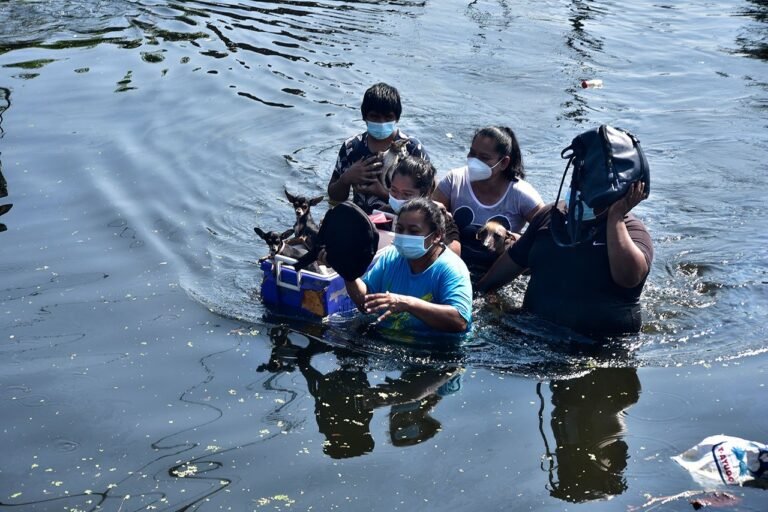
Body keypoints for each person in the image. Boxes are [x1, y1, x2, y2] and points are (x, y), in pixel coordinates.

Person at [476, 173, 653, 337]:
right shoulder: (550, 217)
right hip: (533, 331)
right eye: (578, 182)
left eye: (592, 187)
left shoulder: (634, 233)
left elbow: (628, 278)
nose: (581, 191)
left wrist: (615, 217)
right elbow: (490, 282)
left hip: (599, 347)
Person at [343, 198, 472, 333]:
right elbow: (367, 303)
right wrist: (348, 274)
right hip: (388, 339)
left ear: (436, 235)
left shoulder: (451, 268)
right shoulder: (391, 256)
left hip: (434, 349)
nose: (404, 236)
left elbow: (460, 321)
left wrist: (408, 304)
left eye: (413, 231)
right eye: (400, 229)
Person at [433, 125, 544, 269]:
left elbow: (546, 238)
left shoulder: (522, 195)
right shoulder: (454, 180)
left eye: (484, 158)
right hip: (454, 263)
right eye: (472, 153)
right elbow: (426, 223)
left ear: (504, 163)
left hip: (495, 270)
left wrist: (514, 241)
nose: (474, 161)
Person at [327, 82, 430, 214]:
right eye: (375, 117)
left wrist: (383, 193)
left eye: (388, 117)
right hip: (361, 220)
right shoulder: (351, 147)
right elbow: (335, 197)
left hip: (402, 223)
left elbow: (428, 199)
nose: (381, 123)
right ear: (365, 117)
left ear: (397, 118)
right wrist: (346, 178)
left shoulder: (412, 148)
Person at [382, 156, 461, 256]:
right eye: (394, 190)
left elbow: (454, 254)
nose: (398, 198)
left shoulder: (440, 218)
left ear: (425, 194)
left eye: (407, 194)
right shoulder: (384, 212)